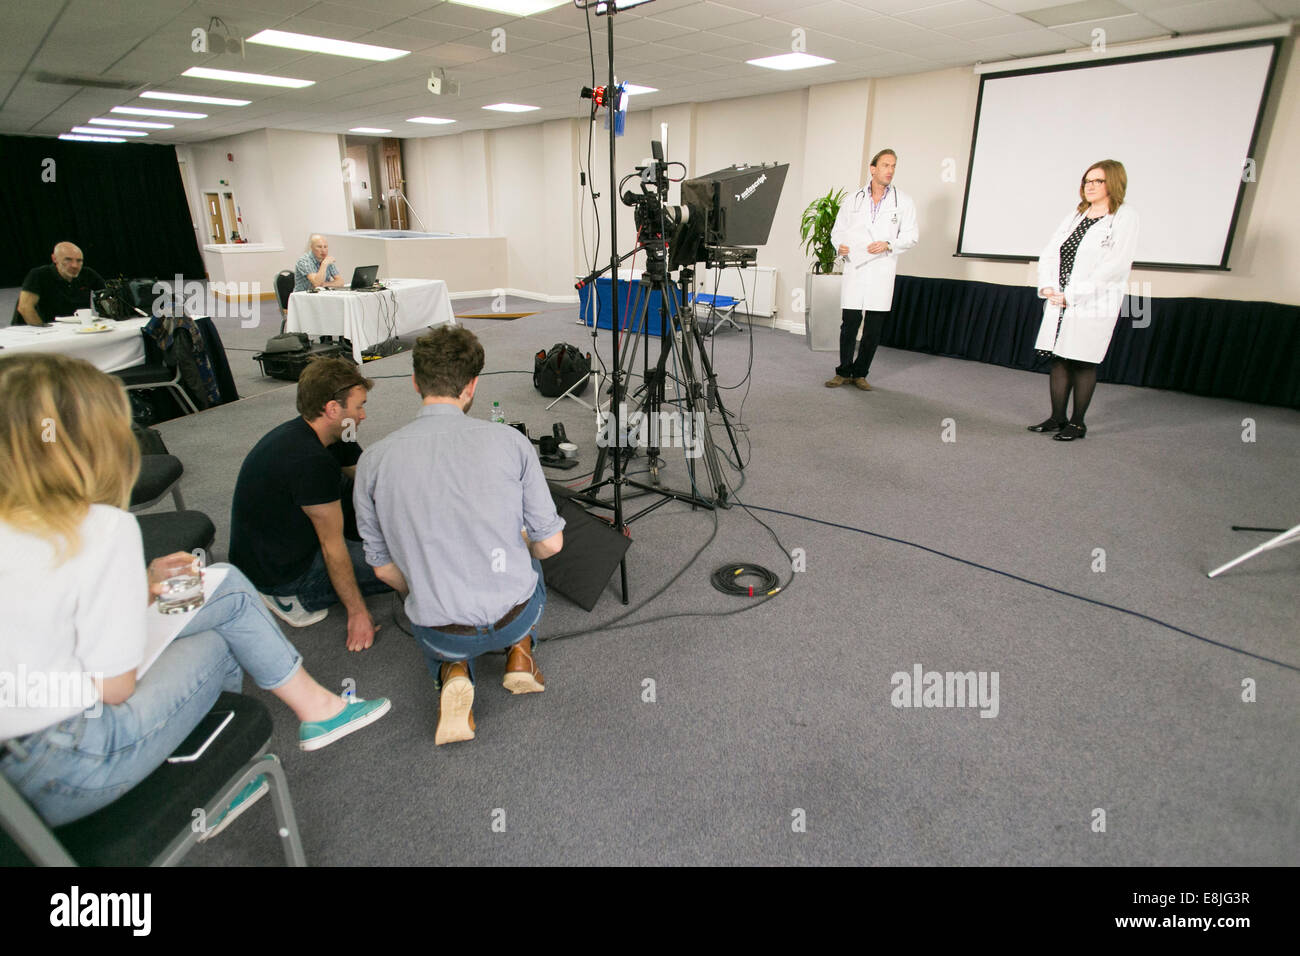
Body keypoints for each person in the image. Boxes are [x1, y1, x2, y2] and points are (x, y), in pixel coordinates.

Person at [0, 353, 389, 832]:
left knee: (218, 584)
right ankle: (296, 724)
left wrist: (138, 588)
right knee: (222, 636)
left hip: (21, 763)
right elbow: (115, 686)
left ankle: (292, 727)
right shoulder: (100, 529)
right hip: (67, 764)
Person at [353, 326, 565, 746]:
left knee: (427, 585)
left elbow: (381, 570)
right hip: (512, 616)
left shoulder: (373, 461)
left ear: (415, 383)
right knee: (532, 557)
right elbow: (551, 545)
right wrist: (519, 542)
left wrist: (424, 579)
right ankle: (520, 653)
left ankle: (451, 669)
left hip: (439, 628)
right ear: (472, 386)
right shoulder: (511, 442)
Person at [229, 358, 391, 650]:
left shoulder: (330, 432)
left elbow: (370, 483)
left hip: (284, 535)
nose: (363, 415)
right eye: (358, 406)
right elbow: (333, 548)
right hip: (284, 574)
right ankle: (285, 597)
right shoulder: (310, 462)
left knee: (357, 493)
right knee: (400, 565)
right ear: (332, 409)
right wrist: (358, 614)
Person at [1028, 160, 1139, 441]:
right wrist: (1049, 287)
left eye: (1097, 181)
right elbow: (1051, 252)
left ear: (1113, 183)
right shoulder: (1076, 215)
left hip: (1092, 301)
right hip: (1061, 299)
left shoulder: (1124, 217)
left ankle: (1077, 423)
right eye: (1086, 181)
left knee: (1083, 360)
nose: (1089, 186)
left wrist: (1074, 294)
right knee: (1059, 359)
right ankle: (1057, 417)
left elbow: (1115, 264)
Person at [825, 149, 919, 391]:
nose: (890, 170)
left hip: (881, 269)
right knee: (849, 323)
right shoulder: (853, 199)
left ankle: (861, 373)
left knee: (873, 328)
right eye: (886, 165)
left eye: (894, 166)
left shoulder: (904, 202)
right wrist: (840, 246)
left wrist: (889, 244)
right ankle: (843, 371)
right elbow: (837, 231)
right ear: (873, 168)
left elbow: (911, 236)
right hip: (856, 268)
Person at [11, 242, 104, 326]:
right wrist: (43, 331)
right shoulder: (38, 275)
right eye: (68, 260)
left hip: (74, 328)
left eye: (79, 261)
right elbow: (24, 307)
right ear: (54, 259)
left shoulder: (88, 274)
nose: (75, 265)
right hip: (35, 331)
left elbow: (108, 295)